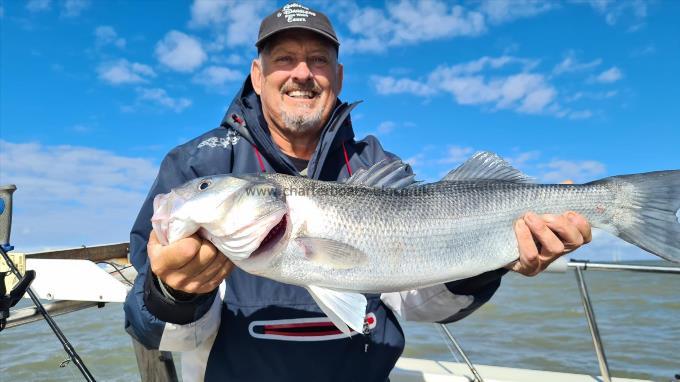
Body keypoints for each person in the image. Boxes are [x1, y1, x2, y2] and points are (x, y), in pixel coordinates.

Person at [124, 3, 592, 381]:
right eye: (283, 59)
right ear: (256, 74)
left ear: (339, 76)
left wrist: (485, 262)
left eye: (318, 60)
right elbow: (158, 334)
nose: (302, 73)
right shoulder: (195, 163)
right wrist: (174, 295)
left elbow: (414, 300)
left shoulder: (376, 165)